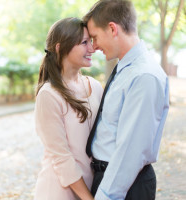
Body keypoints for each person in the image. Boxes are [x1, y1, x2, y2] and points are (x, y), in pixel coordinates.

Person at [83, 0, 170, 200]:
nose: (94, 46)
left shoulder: (143, 76)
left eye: (95, 37)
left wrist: (105, 195)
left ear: (113, 29)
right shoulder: (126, 69)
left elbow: (131, 151)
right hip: (109, 180)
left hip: (124, 187)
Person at [34, 17, 103, 200]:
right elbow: (61, 158)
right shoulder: (49, 95)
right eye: (84, 42)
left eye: (91, 41)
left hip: (93, 188)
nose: (92, 48)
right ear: (60, 47)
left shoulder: (95, 86)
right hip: (60, 192)